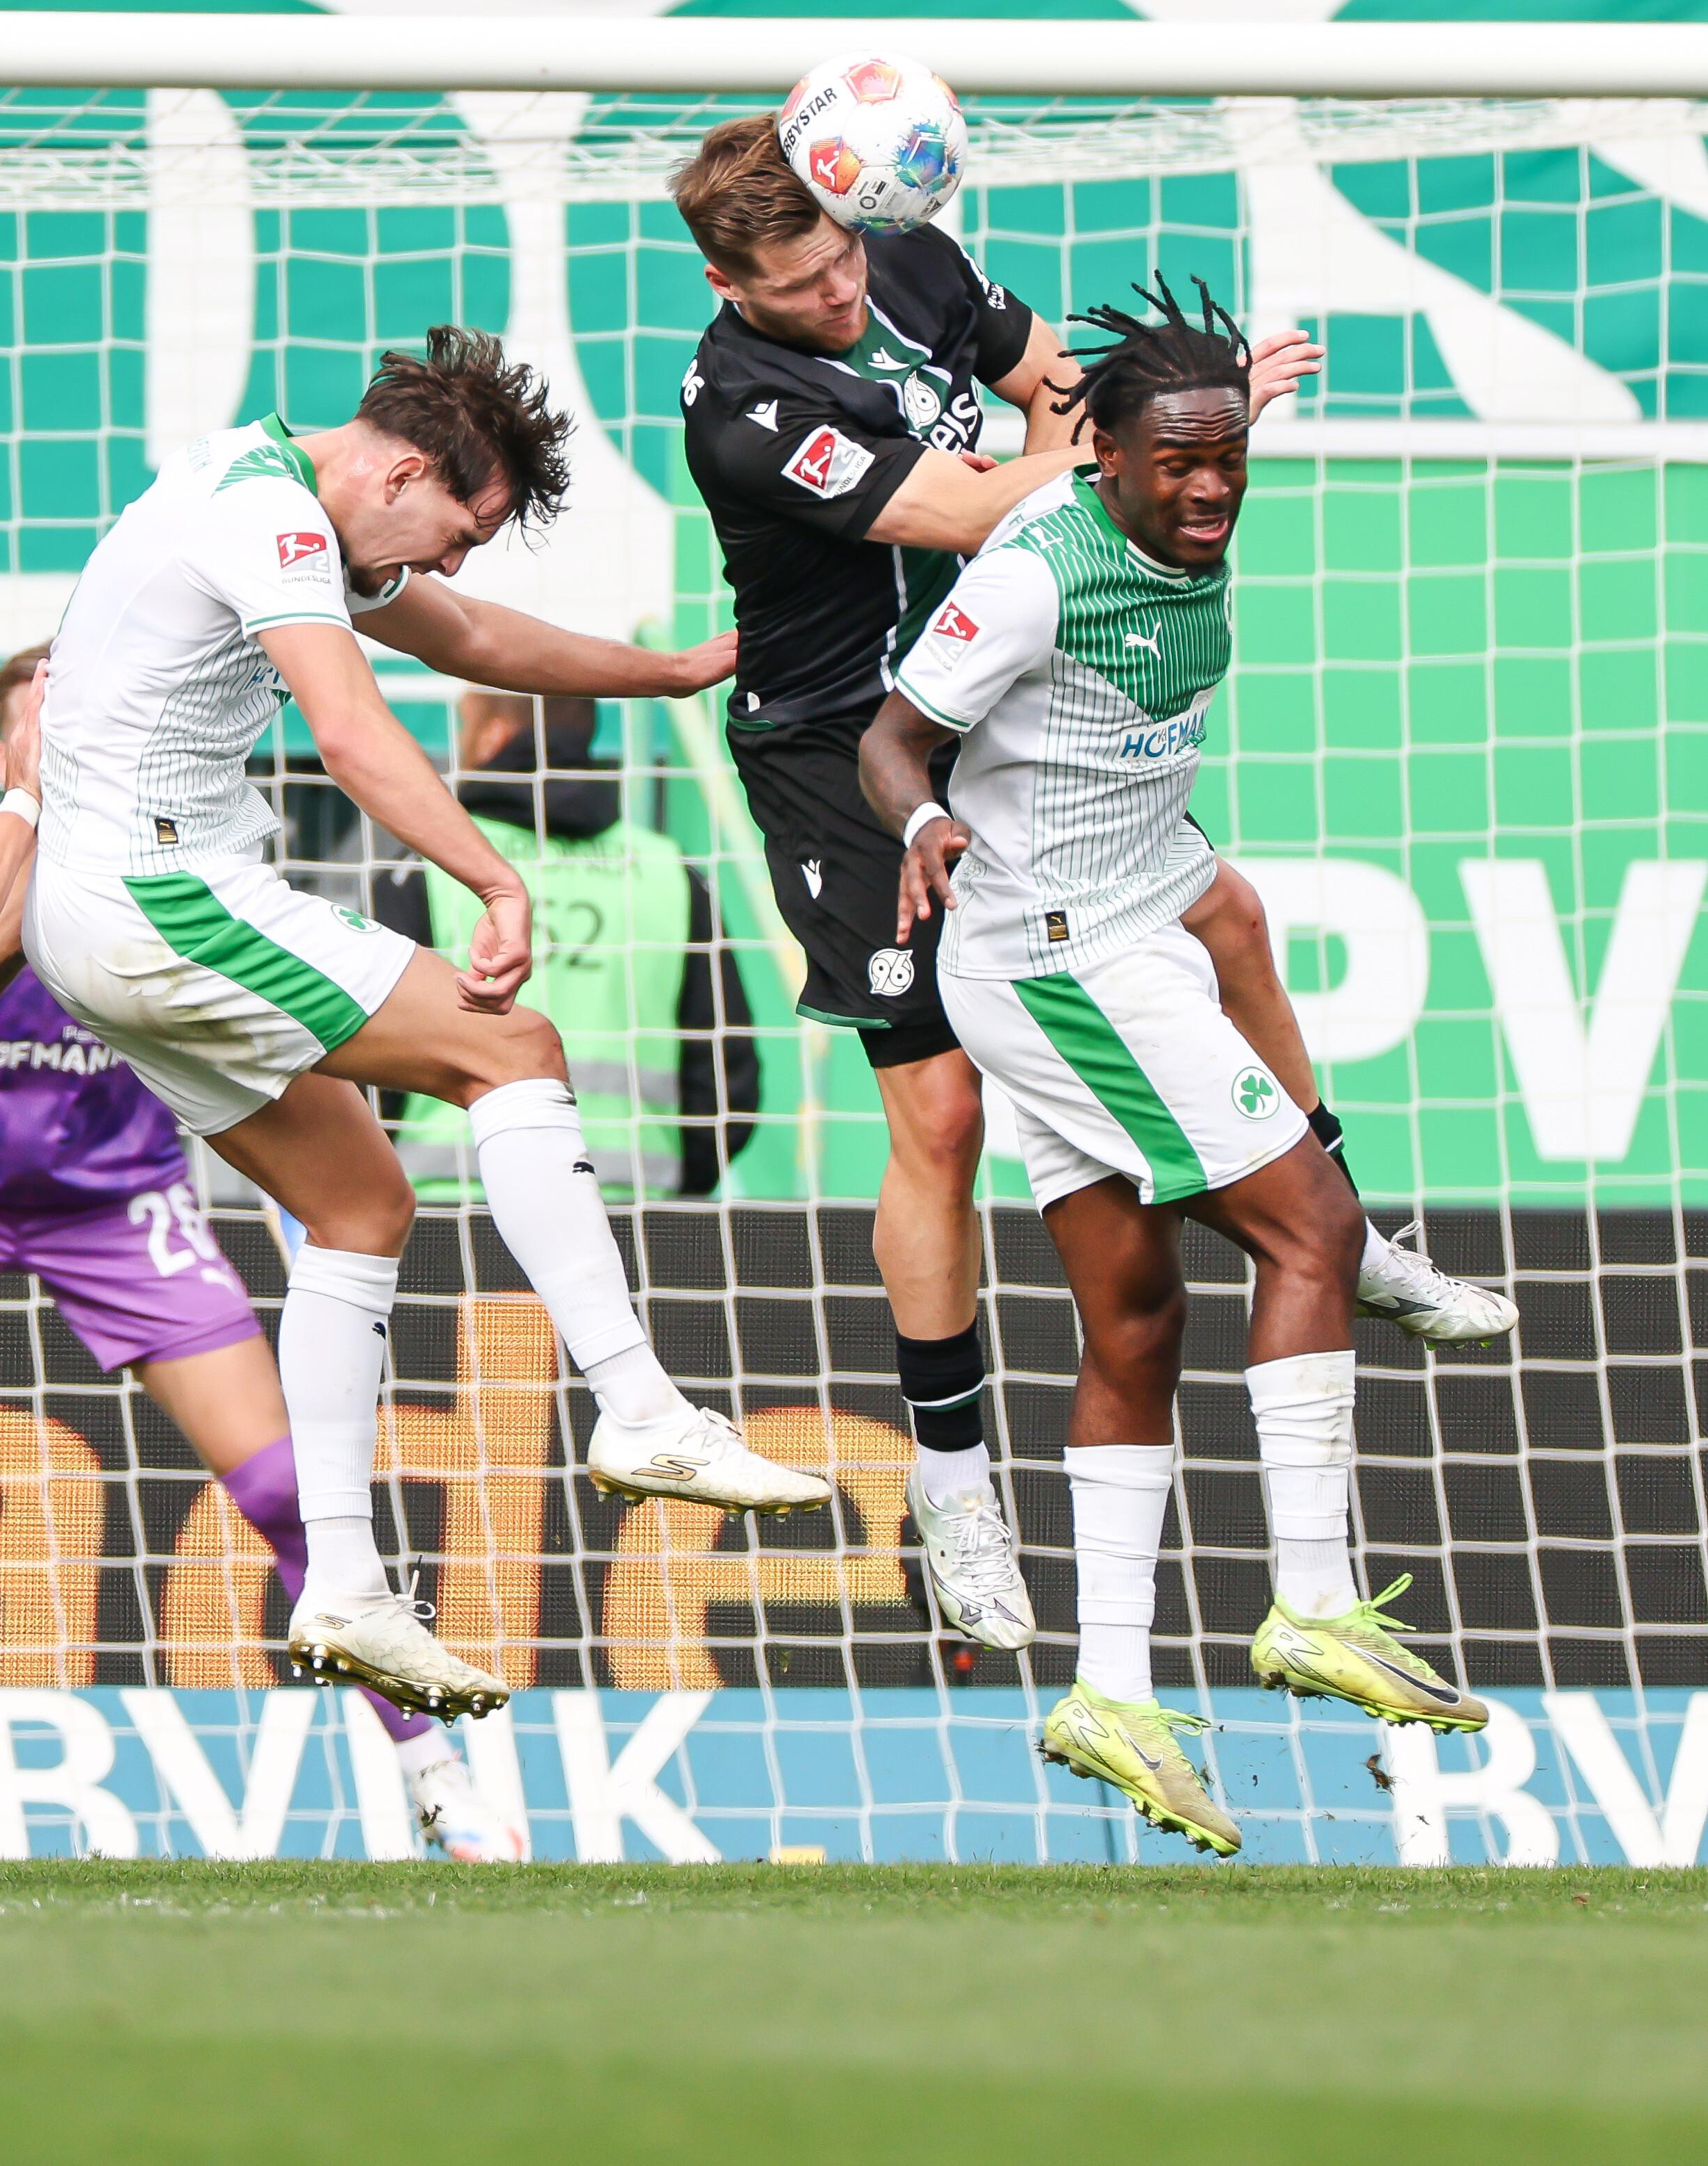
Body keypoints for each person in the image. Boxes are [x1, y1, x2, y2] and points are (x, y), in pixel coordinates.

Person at [670, 116, 1515, 1662]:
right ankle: (952, 1481)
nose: (843, 293)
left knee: (1225, 911)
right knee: (940, 1117)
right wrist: (1167, 435)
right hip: (845, 743)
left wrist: (1144, 423)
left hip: (1002, 691)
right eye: (802, 285)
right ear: (730, 285)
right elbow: (961, 508)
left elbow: (1052, 383)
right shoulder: (743, 411)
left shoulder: (905, 254)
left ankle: (1345, 1227)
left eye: (846, 255)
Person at [14, 329, 830, 1724]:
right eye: (463, 529)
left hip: (101, 920)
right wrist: (493, 879)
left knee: (361, 1205)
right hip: (165, 896)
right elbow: (349, 732)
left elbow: (470, 640)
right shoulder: (271, 519)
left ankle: (344, 1583)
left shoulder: (290, 494)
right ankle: (640, 1409)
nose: (454, 560)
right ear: (401, 471)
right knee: (512, 1046)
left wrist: (672, 673)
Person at [860, 281, 1491, 1858]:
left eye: (1230, 461)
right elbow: (887, 738)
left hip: (1128, 927)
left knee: (1136, 1320)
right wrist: (923, 819)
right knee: (1314, 1232)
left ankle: (1109, 1692)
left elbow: (1195, 431)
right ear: (1106, 460)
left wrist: (1234, 394)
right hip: (1062, 960)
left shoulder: (1182, 476)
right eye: (1181, 464)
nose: (1210, 490)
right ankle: (1313, 1602)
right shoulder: (1033, 574)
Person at [0, 649, 528, 1862]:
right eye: (45, 725)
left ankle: (435, 1776)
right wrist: (23, 804)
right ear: (11, 746)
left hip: (113, 1202)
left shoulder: (173, 874)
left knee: (282, 1490)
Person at [375, 687, 760, 1199]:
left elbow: (367, 1049)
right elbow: (727, 1077)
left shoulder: (423, 868)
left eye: (464, 726)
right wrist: (675, 1185)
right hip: (631, 1205)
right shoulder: (670, 872)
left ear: (493, 735)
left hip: (451, 1202)